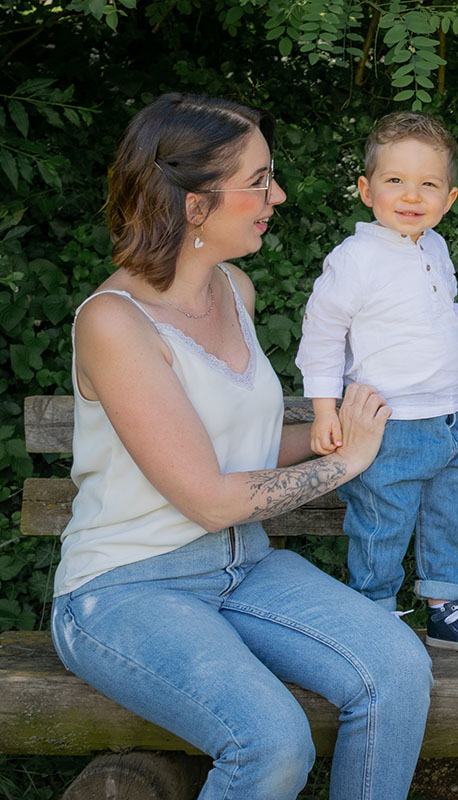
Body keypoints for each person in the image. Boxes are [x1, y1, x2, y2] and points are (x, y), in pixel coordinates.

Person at [50, 93, 433, 800]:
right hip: (127, 589)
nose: (276, 195)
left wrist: (346, 429)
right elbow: (207, 497)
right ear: (194, 204)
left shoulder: (235, 288)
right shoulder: (115, 324)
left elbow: (242, 443)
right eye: (259, 180)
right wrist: (343, 464)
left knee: (398, 670)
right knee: (271, 742)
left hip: (243, 569)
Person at [296, 111, 458, 650]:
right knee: (381, 522)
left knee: (453, 513)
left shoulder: (434, 249)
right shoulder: (355, 260)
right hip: (386, 426)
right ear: (365, 189)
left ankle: (447, 606)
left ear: (449, 198)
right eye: (395, 180)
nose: (411, 194)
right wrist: (325, 409)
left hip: (448, 418)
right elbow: (323, 334)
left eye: (428, 184)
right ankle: (372, 611)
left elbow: (438, 308)